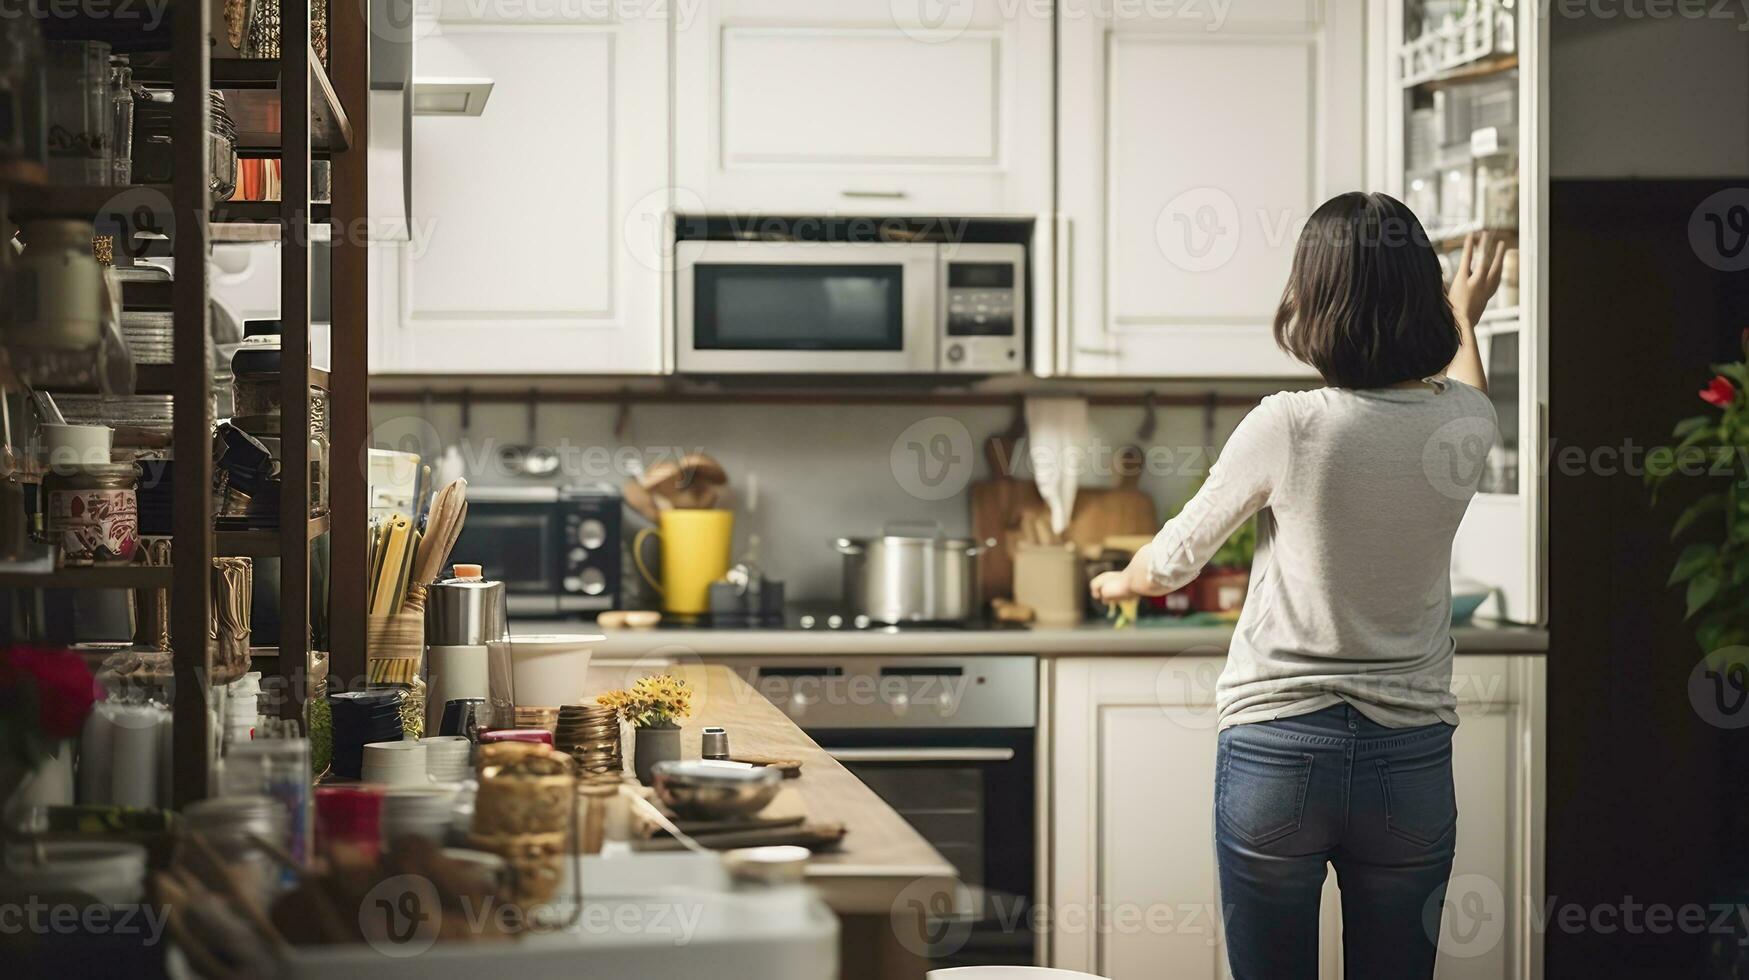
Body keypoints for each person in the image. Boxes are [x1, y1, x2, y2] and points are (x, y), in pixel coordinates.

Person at [1089, 192, 1507, 979]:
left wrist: (1119, 580)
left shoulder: (1290, 422)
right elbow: (1465, 388)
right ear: (1420, 297)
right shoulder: (1466, 424)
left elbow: (1173, 558)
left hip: (1278, 751)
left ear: (1311, 301)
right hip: (1409, 760)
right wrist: (1465, 316)